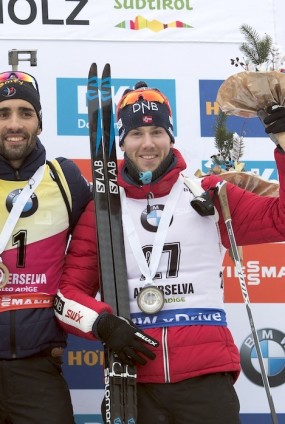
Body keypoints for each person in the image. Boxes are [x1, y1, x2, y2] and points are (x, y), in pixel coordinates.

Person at [54, 81, 285, 423]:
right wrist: (102, 324)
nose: (148, 144)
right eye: (136, 134)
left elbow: (279, 220)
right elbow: (66, 297)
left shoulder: (209, 195)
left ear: (171, 136)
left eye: (157, 131)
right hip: (134, 380)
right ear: (122, 141)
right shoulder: (101, 210)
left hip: (206, 378)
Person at [0, 70, 92, 423]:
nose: (15, 124)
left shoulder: (64, 178)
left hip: (40, 364)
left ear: (40, 122)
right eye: (3, 113)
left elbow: (102, 248)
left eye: (26, 113)